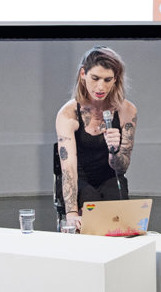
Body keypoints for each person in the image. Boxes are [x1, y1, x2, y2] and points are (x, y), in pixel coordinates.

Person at [56, 47, 138, 232]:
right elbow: (68, 168)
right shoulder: (68, 113)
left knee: (118, 218)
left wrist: (115, 150)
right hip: (80, 179)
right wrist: (71, 214)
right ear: (83, 74)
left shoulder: (127, 111)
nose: (101, 87)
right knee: (90, 207)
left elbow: (121, 167)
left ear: (115, 79)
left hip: (110, 176)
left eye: (107, 80)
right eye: (95, 78)